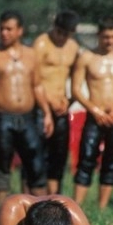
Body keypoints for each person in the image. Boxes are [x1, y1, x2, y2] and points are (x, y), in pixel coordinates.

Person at [0, 10, 53, 203]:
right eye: (2, 29)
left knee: (35, 163)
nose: (4, 33)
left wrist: (47, 113)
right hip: (2, 116)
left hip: (28, 117)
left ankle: (40, 209)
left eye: (9, 29)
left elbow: (37, 86)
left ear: (20, 30)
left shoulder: (31, 55)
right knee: (1, 164)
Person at [71, 17, 113, 209]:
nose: (110, 41)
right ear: (99, 35)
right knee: (86, 157)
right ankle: (77, 205)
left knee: (112, 159)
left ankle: (102, 206)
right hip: (94, 115)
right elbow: (76, 89)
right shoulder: (87, 57)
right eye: (106, 37)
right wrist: (94, 109)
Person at [31, 10, 80, 194]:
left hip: (62, 108)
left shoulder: (73, 47)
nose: (62, 38)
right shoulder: (41, 44)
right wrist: (48, 103)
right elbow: (33, 79)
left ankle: (54, 198)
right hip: (40, 106)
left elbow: (77, 77)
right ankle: (32, 196)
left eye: (67, 35)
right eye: (60, 33)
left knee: (59, 156)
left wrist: (69, 100)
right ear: (54, 27)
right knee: (36, 156)